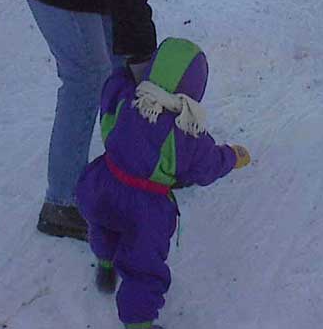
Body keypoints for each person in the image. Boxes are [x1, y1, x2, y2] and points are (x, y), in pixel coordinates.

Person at [4, 0, 262, 240]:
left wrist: (138, 61)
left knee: (122, 68)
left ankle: (143, 163)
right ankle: (60, 203)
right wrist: (144, 62)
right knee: (87, 78)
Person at [75, 37, 250, 329]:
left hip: (103, 184)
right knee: (143, 268)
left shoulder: (128, 98)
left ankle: (105, 265)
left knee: (103, 225)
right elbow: (206, 167)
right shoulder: (186, 132)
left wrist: (123, 73)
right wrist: (233, 156)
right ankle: (139, 323)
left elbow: (108, 98)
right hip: (144, 209)